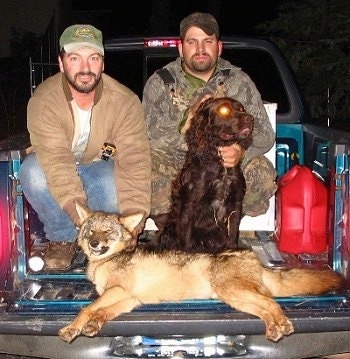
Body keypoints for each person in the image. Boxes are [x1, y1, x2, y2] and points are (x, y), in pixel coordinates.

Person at [19, 24, 151, 271]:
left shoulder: (125, 101)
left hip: (96, 166)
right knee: (33, 173)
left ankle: (107, 241)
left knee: (113, 184)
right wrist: (80, 218)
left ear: (102, 63)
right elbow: (57, 162)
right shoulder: (44, 101)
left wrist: (134, 218)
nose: (85, 68)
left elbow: (135, 159)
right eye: (75, 58)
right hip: (56, 166)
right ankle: (62, 238)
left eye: (93, 58)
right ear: (61, 63)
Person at [143, 12, 277, 220]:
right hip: (179, 163)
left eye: (208, 41)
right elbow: (147, 135)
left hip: (224, 165)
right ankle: (174, 232)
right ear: (181, 48)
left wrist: (240, 151)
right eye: (192, 42)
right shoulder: (160, 83)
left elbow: (265, 134)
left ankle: (227, 224)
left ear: (219, 47)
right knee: (144, 169)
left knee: (262, 172)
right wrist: (184, 126)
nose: (200, 49)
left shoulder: (238, 82)